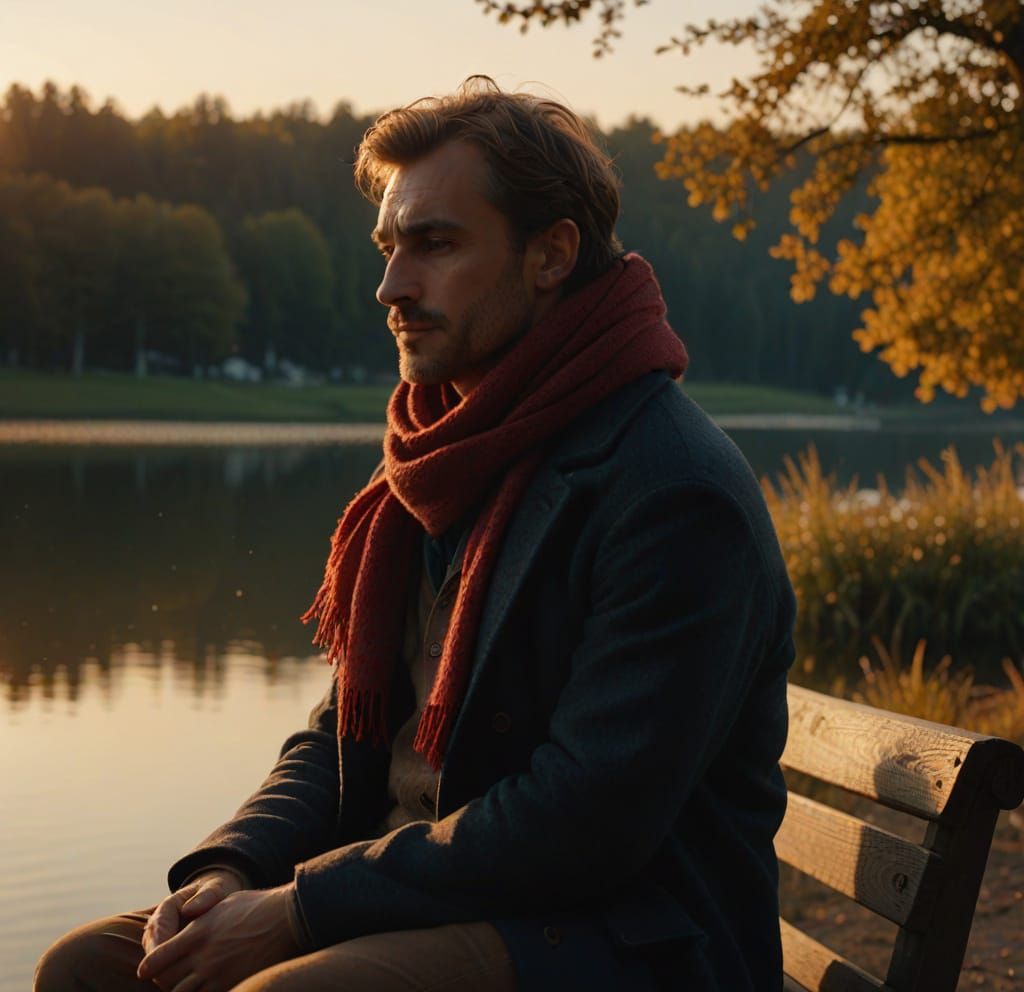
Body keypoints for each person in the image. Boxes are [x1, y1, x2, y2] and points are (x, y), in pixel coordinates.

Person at [35, 76, 796, 992]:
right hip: (421, 897)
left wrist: (297, 911)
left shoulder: (672, 492)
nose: (391, 286)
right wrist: (230, 869)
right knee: (86, 969)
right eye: (388, 247)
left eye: (434, 244)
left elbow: (585, 822)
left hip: (623, 938)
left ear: (551, 255)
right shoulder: (437, 460)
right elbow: (343, 733)